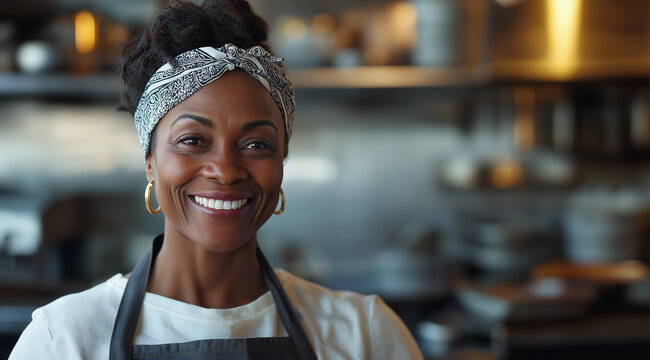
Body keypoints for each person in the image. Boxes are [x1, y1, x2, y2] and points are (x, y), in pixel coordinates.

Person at [10, 0, 424, 359]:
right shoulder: (63, 340)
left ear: (281, 161)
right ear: (150, 161)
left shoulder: (364, 335)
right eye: (193, 140)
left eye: (257, 144)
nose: (225, 171)